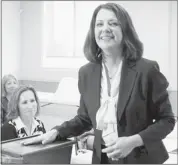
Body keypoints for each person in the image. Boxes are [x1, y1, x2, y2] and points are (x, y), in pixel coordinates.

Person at [21, 2, 176, 164]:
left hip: (141, 159)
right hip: (102, 158)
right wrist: (56, 132)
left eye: (113, 23)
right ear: (93, 31)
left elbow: (167, 120)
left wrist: (133, 141)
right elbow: (85, 118)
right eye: (99, 24)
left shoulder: (146, 70)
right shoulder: (87, 73)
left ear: (125, 29)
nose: (105, 29)